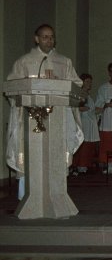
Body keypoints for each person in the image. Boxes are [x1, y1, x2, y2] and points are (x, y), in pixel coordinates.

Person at [5, 24, 84, 200]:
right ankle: (28, 197)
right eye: (45, 37)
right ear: (36, 39)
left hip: (57, 117)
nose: (49, 40)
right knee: (30, 156)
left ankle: (56, 195)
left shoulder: (64, 62)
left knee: (55, 154)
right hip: (30, 117)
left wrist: (59, 84)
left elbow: (77, 86)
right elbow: (11, 85)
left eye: (52, 37)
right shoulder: (24, 62)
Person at [72, 73, 100, 175]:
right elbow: (76, 107)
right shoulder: (79, 94)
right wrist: (83, 108)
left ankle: (85, 165)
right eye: (87, 81)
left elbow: (91, 109)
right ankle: (79, 166)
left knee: (89, 145)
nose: (89, 84)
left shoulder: (88, 96)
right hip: (83, 122)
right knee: (83, 144)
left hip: (90, 123)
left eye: (90, 82)